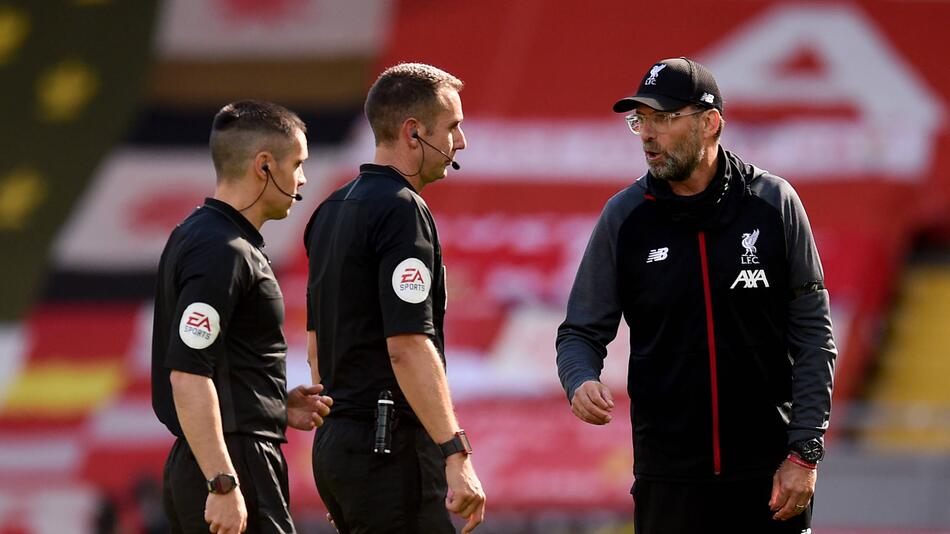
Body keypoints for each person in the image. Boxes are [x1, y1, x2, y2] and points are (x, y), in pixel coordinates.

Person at [556, 57, 837, 533]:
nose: (647, 134)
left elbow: (813, 337)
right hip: (668, 477)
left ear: (711, 123)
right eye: (639, 120)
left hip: (768, 473)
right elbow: (580, 331)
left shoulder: (773, 204)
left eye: (663, 119)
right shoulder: (625, 218)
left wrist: (805, 452)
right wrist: (580, 379)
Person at [303, 62, 486, 534]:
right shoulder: (402, 211)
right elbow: (406, 345)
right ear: (413, 132)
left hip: (341, 447)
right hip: (389, 449)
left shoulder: (331, 209)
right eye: (453, 127)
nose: (459, 143)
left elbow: (317, 346)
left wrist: (343, 470)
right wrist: (455, 452)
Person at [152, 100, 333, 534]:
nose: (303, 178)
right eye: (298, 163)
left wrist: (269, 405)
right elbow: (188, 375)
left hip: (221, 454)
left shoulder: (202, 236)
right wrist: (222, 481)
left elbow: (216, 365)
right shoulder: (223, 250)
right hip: (233, 462)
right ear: (265, 165)